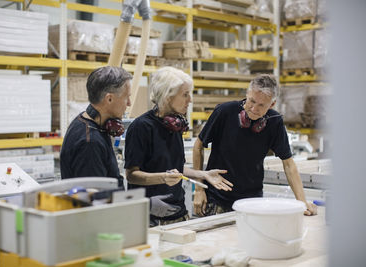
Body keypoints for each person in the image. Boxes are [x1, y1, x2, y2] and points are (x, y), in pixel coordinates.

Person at [60, 66, 179, 218]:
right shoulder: (89, 143)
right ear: (109, 99)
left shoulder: (88, 123)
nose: (129, 103)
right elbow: (96, 200)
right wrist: (144, 204)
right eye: (126, 97)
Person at [192, 74, 318, 217]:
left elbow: (288, 164)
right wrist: (199, 189)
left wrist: (302, 203)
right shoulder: (225, 112)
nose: (253, 108)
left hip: (252, 203)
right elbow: (198, 146)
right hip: (217, 200)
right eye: (251, 101)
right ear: (247, 94)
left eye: (261, 105)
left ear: (271, 104)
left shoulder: (274, 123)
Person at [124, 67, 233, 226]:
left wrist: (202, 174)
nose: (190, 100)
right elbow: (132, 174)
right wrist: (162, 178)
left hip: (178, 214)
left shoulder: (174, 126)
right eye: (185, 94)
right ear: (168, 96)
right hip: (151, 218)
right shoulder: (141, 127)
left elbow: (176, 169)